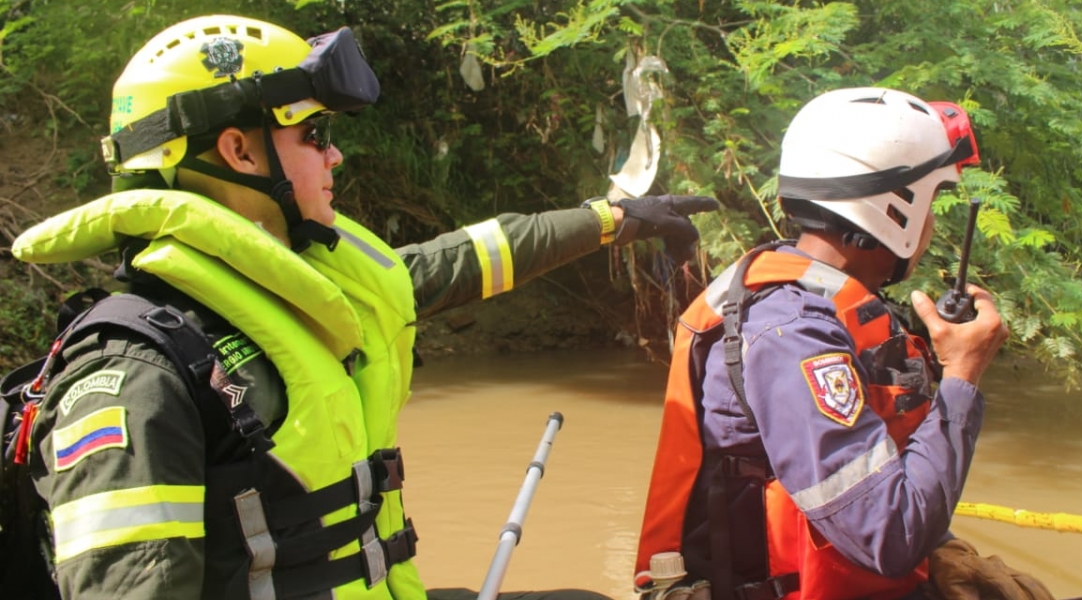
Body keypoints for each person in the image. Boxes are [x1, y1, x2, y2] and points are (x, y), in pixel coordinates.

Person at [5, 14, 717, 600]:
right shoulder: (135, 374)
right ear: (237, 150)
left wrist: (614, 217)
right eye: (312, 135)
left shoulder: (303, 292)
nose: (335, 156)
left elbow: (460, 260)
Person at [633, 87, 1053, 600]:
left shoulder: (820, 305)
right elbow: (891, 536)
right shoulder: (794, 336)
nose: (933, 223)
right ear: (892, 210)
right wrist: (962, 375)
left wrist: (941, 546)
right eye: (930, 202)